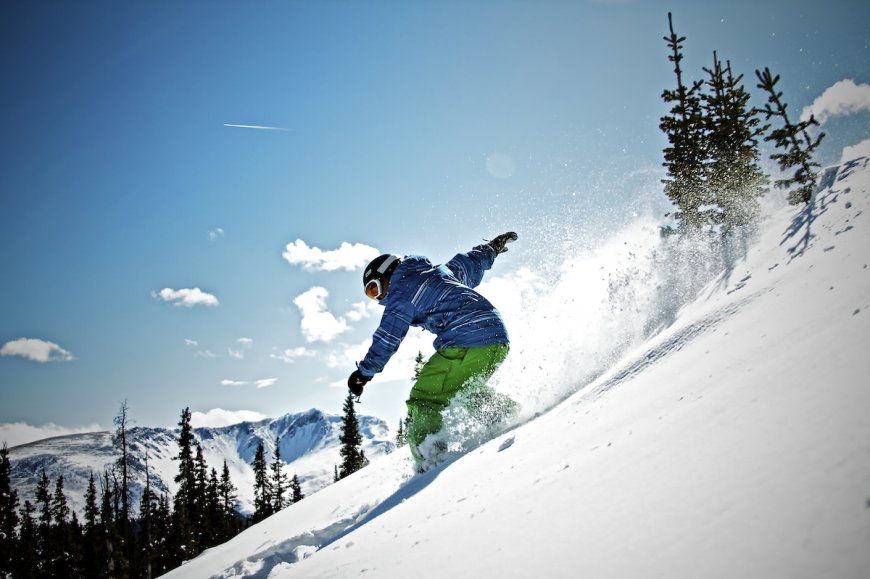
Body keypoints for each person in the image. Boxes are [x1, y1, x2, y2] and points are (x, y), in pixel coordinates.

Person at [348, 232, 518, 469]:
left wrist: (364, 373)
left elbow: (388, 337)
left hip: (467, 340)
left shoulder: (401, 291)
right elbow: (469, 263)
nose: (379, 298)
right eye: (371, 295)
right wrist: (491, 248)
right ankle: (510, 418)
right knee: (464, 391)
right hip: (496, 338)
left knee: (424, 398)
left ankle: (430, 460)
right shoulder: (440, 273)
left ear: (388, 273)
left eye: (375, 289)